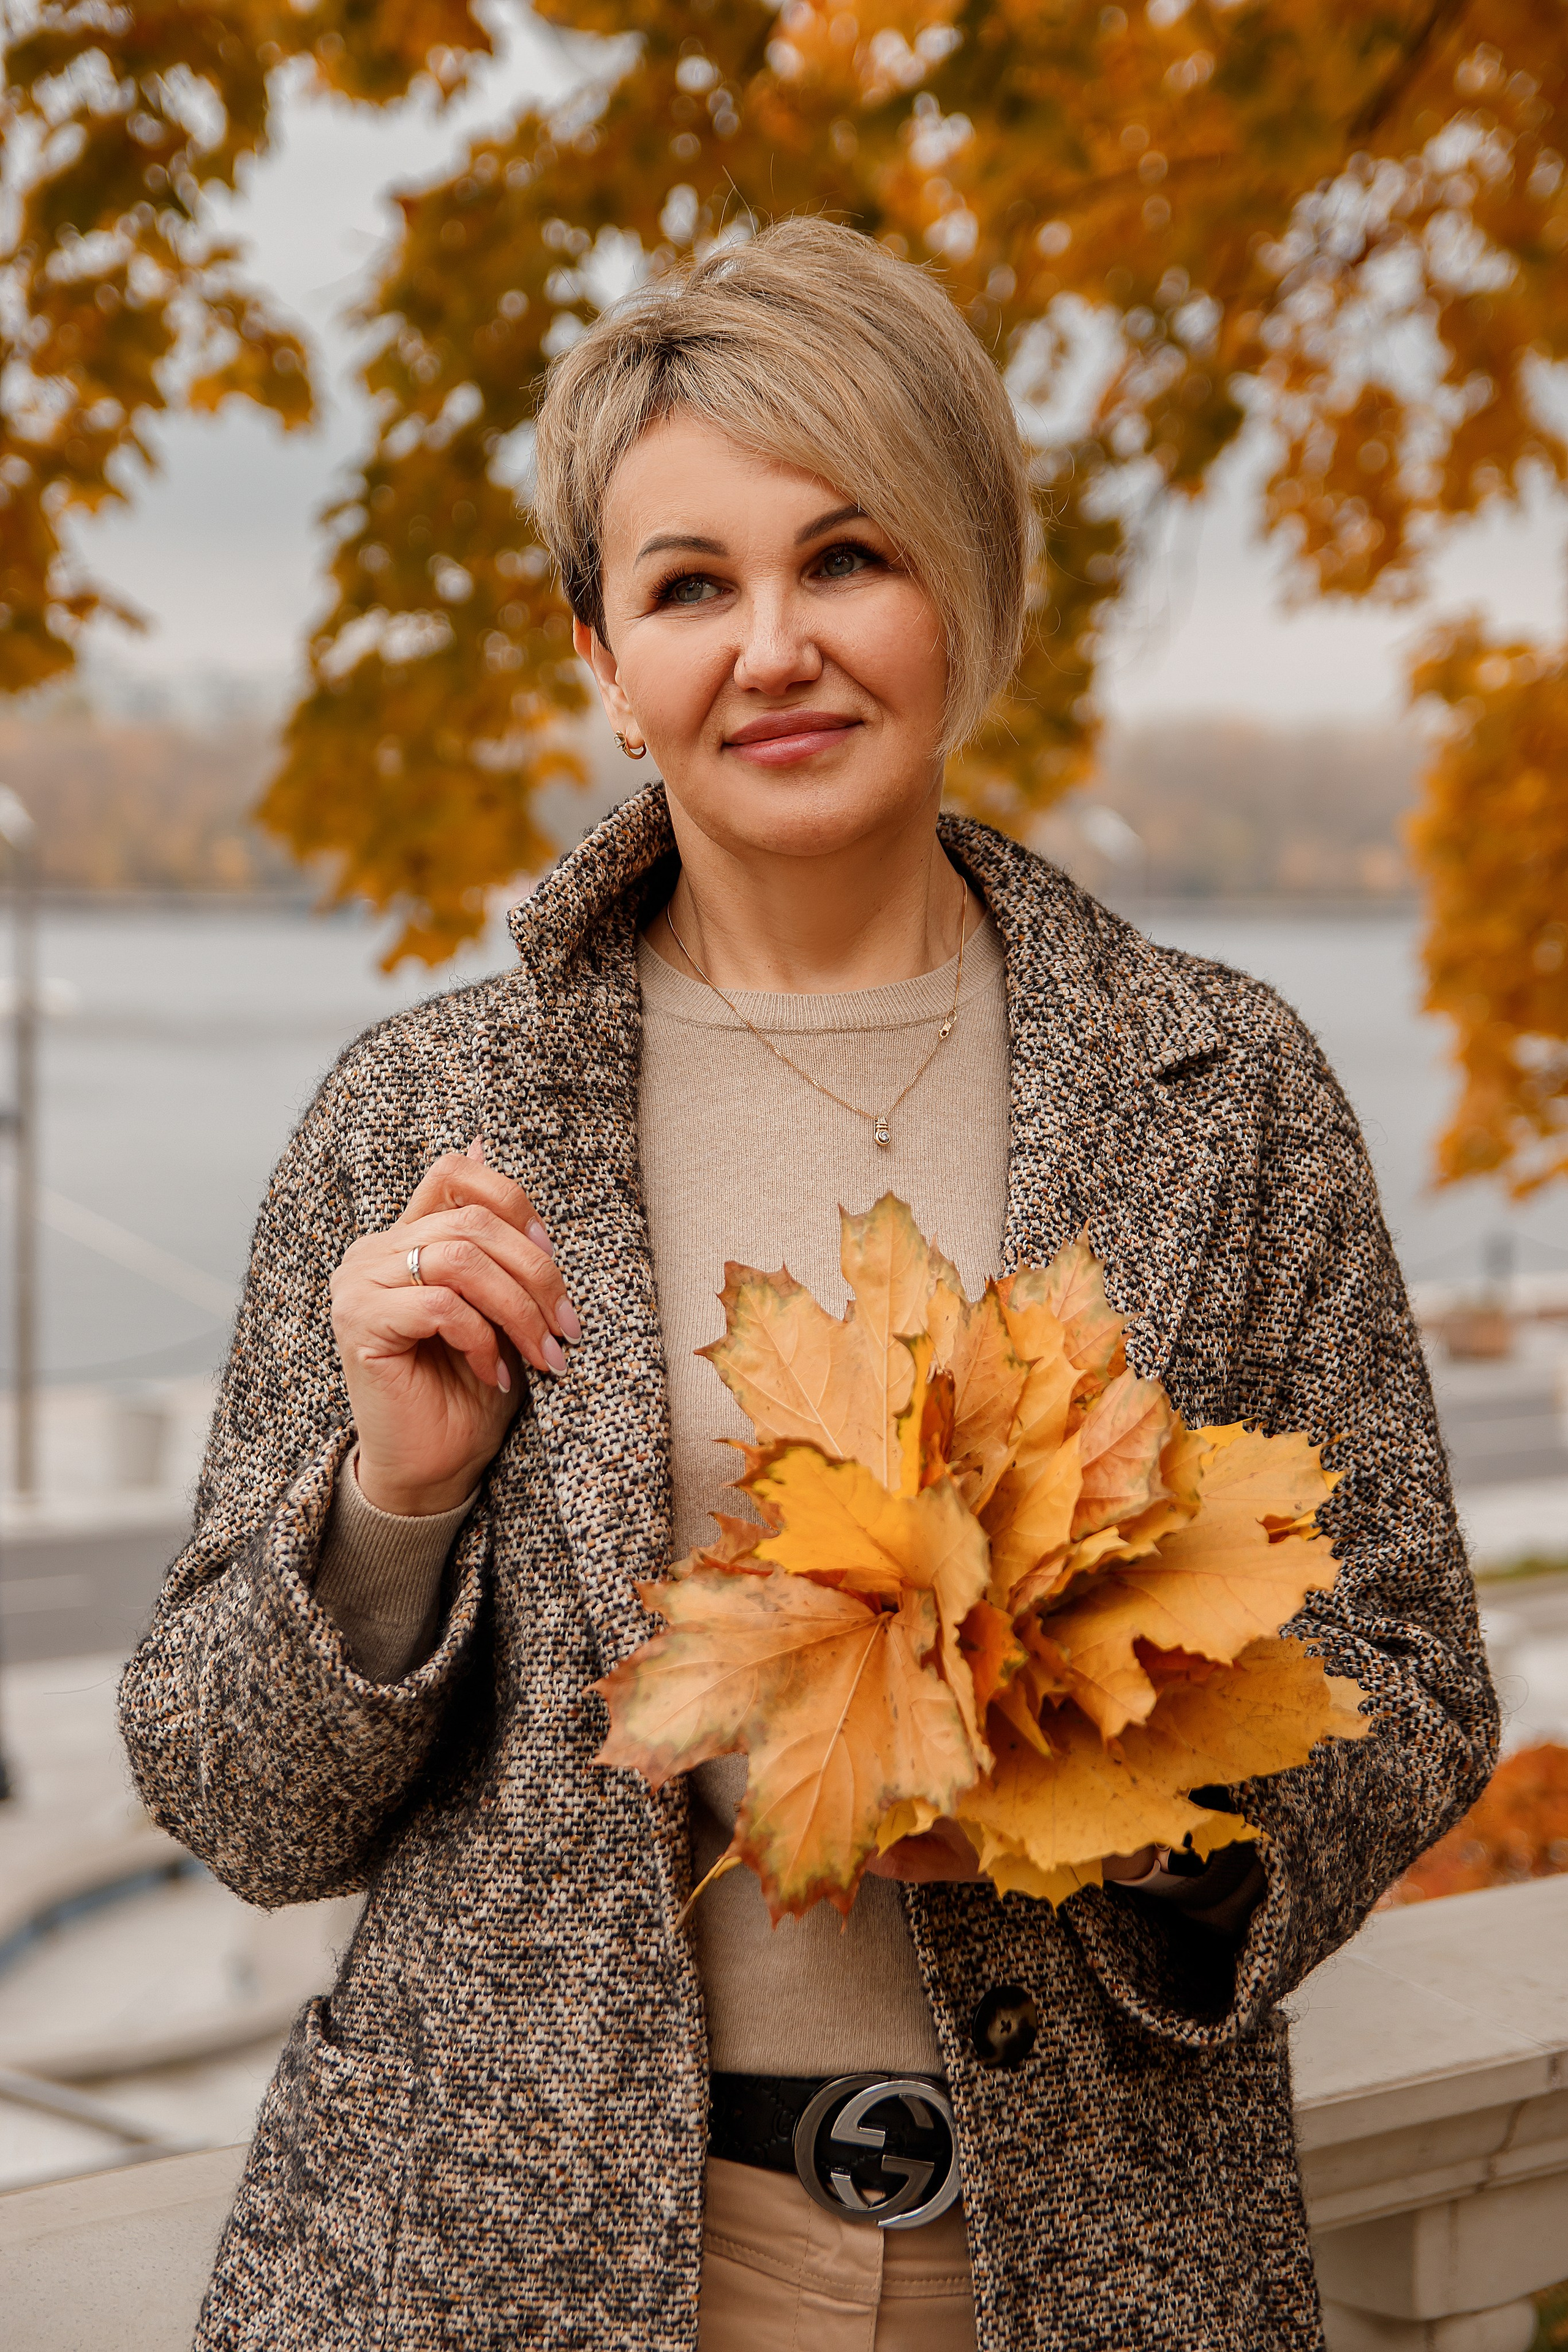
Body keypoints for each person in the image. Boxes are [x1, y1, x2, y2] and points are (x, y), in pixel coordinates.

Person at [120, 217, 1497, 2352]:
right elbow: (234, 1801)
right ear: (604, 657)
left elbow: (1407, 1660)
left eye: (847, 557)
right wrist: (392, 1503)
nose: (775, 648)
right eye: (690, 588)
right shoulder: (431, 1108)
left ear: (970, 585)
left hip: (1101, 2265)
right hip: (524, 2273)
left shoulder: (1224, 1092)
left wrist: (1124, 1806)